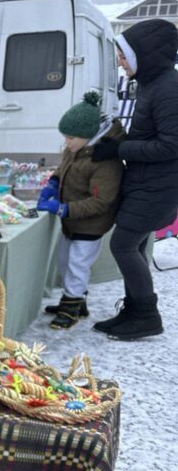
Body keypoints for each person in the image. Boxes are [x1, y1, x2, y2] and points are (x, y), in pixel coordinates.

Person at [89, 18, 178, 340]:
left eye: (124, 56)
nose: (119, 62)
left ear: (145, 55)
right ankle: (134, 309)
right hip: (146, 182)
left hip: (158, 186)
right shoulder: (155, 84)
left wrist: (120, 149)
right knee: (135, 246)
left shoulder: (169, 88)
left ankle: (146, 315)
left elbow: (171, 144)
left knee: (123, 245)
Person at [38, 91, 125, 329]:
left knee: (78, 264)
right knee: (65, 261)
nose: (66, 142)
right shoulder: (76, 149)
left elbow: (101, 201)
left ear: (88, 136)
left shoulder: (104, 162)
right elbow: (64, 167)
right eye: (65, 137)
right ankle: (77, 300)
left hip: (90, 224)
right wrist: (54, 182)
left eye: (70, 138)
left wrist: (65, 209)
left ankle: (70, 307)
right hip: (72, 221)